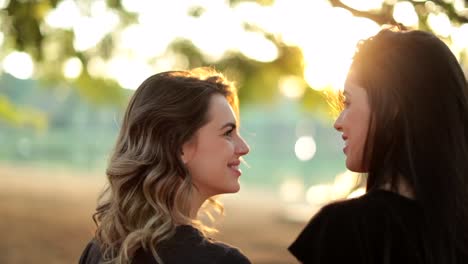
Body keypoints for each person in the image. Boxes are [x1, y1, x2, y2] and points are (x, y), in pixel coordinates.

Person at [289, 28, 468, 263]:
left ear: (392, 106)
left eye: (348, 102)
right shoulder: (456, 229)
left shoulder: (348, 229)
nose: (338, 123)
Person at [79, 67, 251, 264]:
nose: (244, 148)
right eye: (228, 133)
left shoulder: (98, 251)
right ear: (179, 147)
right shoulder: (222, 262)